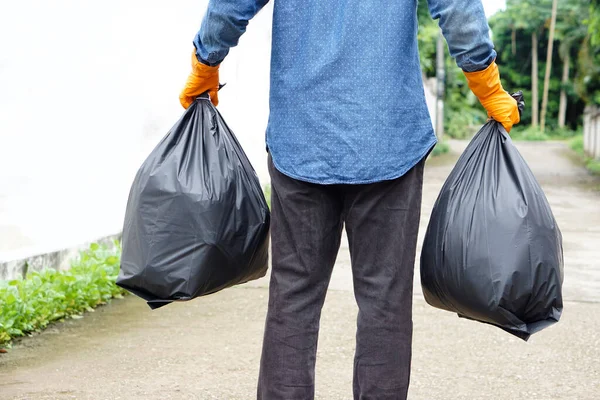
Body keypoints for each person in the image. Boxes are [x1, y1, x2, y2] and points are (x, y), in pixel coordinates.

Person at [179, 0, 520, 399]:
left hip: (302, 137)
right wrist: (487, 84)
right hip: (388, 139)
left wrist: (206, 63)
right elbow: (458, 9)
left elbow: (231, 6)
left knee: (294, 296)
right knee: (385, 301)